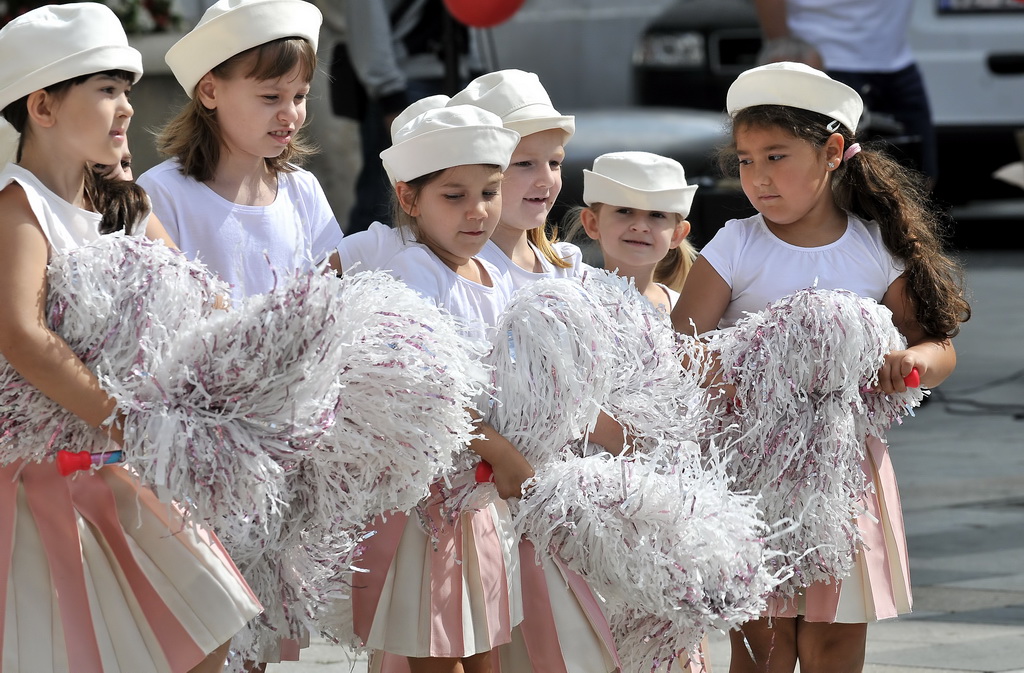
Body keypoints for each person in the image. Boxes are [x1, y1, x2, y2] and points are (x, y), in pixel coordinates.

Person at [670, 61, 971, 673]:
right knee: (764, 645)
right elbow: (680, 349)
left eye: (776, 157)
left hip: (845, 471)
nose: (758, 177)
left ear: (832, 152)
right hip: (751, 468)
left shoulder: (875, 246)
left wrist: (911, 360)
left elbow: (938, 346)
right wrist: (744, 371)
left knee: (834, 640)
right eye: (746, 160)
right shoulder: (737, 243)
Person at [0, 3, 262, 671]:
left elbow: (198, 297)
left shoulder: (123, 204)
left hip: (124, 466)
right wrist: (125, 419)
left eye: (126, 89)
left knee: (208, 622)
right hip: (45, 476)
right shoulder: (19, 206)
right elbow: (21, 335)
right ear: (43, 106)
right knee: (74, 648)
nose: (126, 108)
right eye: (107, 90)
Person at [346, 104, 531, 673]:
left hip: (482, 495)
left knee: (486, 646)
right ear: (409, 198)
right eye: (454, 196)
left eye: (490, 192)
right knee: (438, 648)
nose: (478, 211)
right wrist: (502, 452)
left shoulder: (494, 274)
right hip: (431, 499)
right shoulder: (414, 274)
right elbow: (427, 397)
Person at [136, 0, 342, 303]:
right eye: (270, 97)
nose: (290, 114)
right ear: (210, 91)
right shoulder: (163, 191)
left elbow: (331, 292)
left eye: (300, 96)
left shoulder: (303, 188)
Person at [324, 0, 479, 234]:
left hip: (457, 78)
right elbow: (367, 19)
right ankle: (358, 258)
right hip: (405, 87)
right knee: (383, 203)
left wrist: (475, 73)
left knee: (452, 198)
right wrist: (390, 96)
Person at [752, 0, 938, 181]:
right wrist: (786, 51)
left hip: (895, 59)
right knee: (833, 175)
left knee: (920, 173)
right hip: (823, 57)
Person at [569, 151, 698, 315]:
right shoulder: (570, 302)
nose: (640, 226)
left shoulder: (687, 311)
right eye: (624, 211)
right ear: (592, 223)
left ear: (677, 234)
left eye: (657, 215)